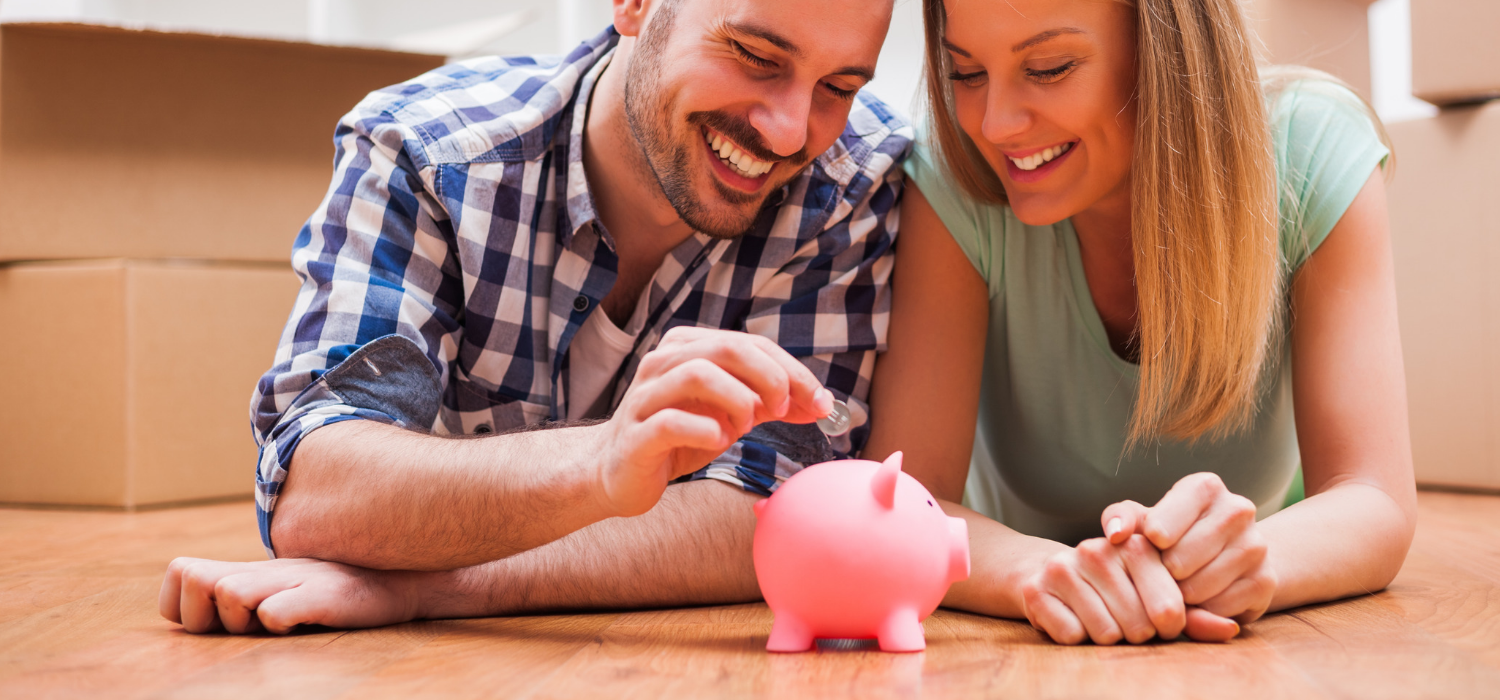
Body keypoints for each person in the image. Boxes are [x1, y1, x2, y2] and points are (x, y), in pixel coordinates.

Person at [160, 0, 910, 634]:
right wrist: (598, 464)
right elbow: (316, 489)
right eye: (753, 55)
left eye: (837, 87)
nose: (788, 132)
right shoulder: (430, 153)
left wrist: (422, 588)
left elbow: (776, 516)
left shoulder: (852, 183)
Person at [862, 0, 1415, 645]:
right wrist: (1038, 572)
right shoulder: (953, 168)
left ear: (1168, 54)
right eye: (966, 74)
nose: (996, 124)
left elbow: (1372, 495)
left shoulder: (1311, 148)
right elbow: (905, 501)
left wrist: (1252, 560)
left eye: (1048, 67)